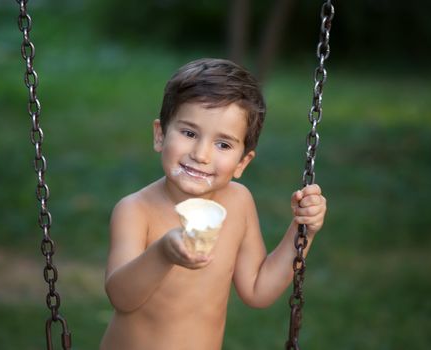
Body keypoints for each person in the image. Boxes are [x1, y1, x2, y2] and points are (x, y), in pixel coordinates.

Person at [100, 58, 327, 350]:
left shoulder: (239, 202)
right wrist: (163, 253)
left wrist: (303, 232)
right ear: (160, 135)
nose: (201, 154)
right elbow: (121, 297)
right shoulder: (135, 210)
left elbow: (258, 290)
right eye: (189, 133)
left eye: (223, 144)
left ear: (242, 162)